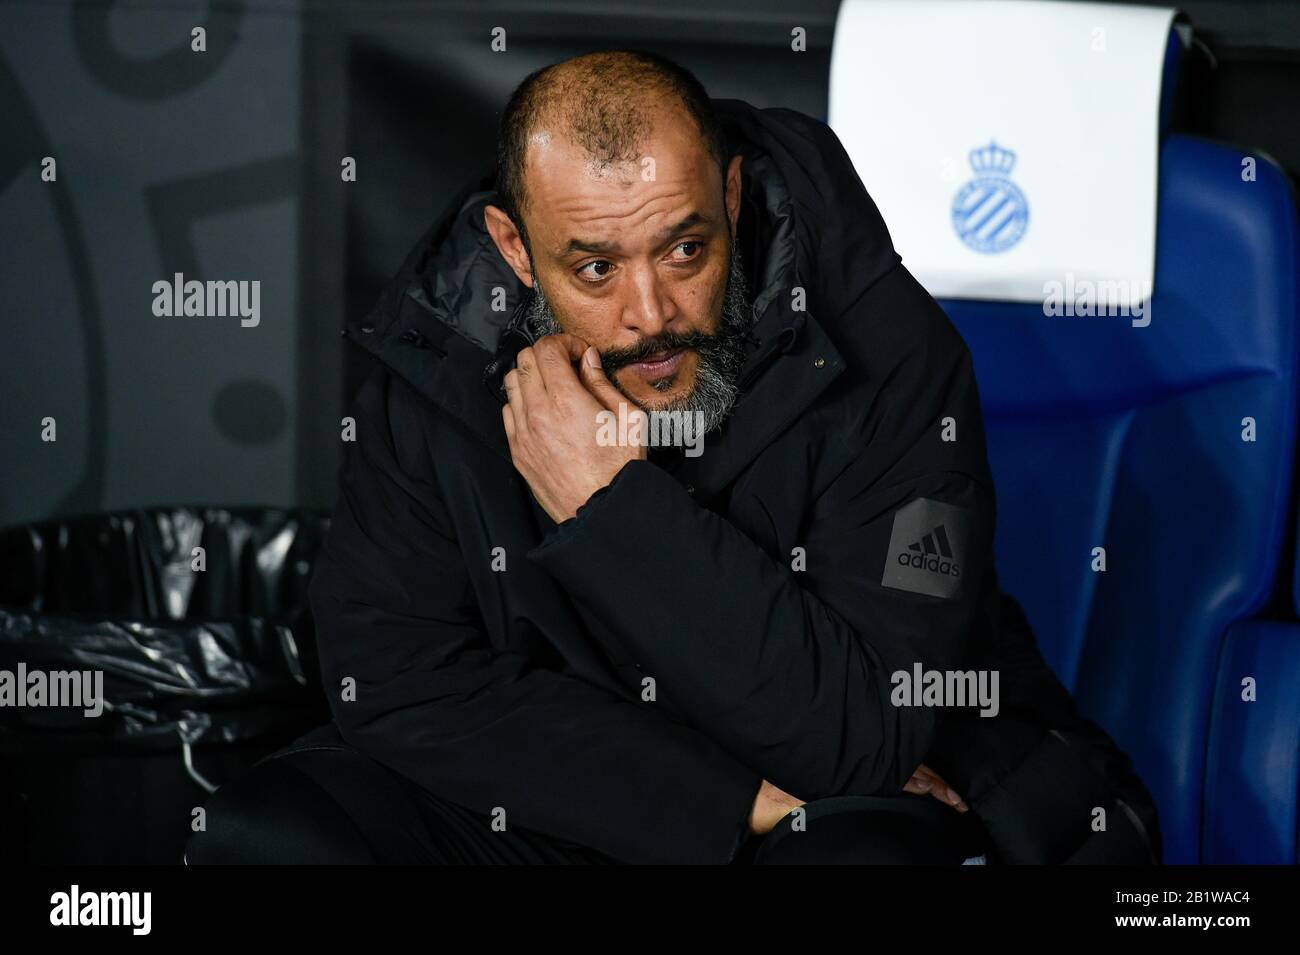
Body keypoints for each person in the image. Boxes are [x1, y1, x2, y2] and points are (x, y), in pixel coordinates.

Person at [187, 49, 1159, 865]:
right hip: (619, 788)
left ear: (730, 197)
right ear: (516, 249)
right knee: (269, 834)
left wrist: (610, 504)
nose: (649, 315)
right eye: (595, 267)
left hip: (857, 794)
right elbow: (392, 676)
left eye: (685, 250)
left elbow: (861, 736)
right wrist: (724, 799)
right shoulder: (441, 357)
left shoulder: (896, 360)